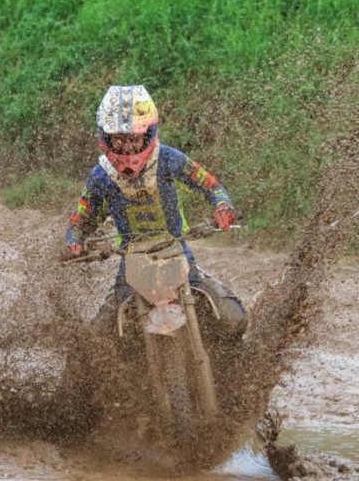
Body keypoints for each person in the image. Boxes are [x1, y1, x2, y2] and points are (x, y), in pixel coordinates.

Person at [64, 85, 247, 340]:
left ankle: (231, 365)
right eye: (119, 138)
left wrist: (223, 207)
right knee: (95, 341)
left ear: (148, 134)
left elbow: (210, 185)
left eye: (134, 138)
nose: (127, 147)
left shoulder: (169, 159)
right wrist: (74, 242)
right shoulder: (101, 177)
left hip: (177, 251)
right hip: (130, 262)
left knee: (233, 318)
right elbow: (81, 220)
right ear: (106, 137)